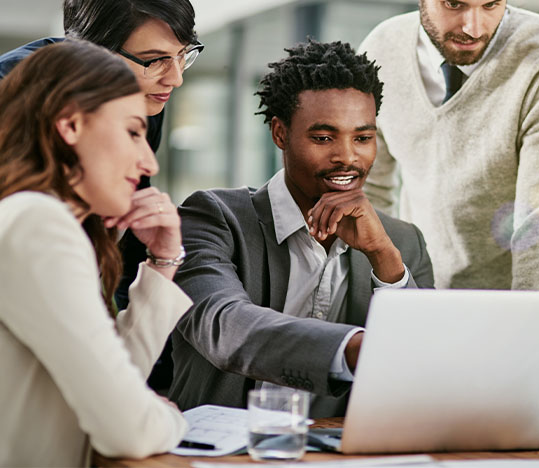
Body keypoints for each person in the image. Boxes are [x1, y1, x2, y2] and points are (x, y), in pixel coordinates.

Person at [168, 40, 435, 417]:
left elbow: (425, 371)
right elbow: (224, 326)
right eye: (324, 138)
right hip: (221, 454)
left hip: (336, 455)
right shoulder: (213, 218)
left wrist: (384, 258)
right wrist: (356, 348)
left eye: (363, 137)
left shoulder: (403, 243)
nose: (347, 156)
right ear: (280, 134)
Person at [0, 0, 202, 390]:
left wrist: (147, 383)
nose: (174, 78)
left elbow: (125, 239)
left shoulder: (143, 95)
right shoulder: (7, 93)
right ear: (89, 54)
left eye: (184, 55)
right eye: (156, 59)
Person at [0, 40, 192, 466]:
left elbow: (110, 383)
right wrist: (168, 419)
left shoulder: (25, 219)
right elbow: (127, 427)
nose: (149, 163)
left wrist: (162, 263)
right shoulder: (35, 223)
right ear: (70, 125)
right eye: (133, 132)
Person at [358, 0, 539, 290]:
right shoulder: (381, 51)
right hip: (414, 293)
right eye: (454, 4)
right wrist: (379, 297)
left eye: (492, 5)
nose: (474, 27)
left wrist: (536, 331)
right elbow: (370, 194)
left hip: (508, 300)